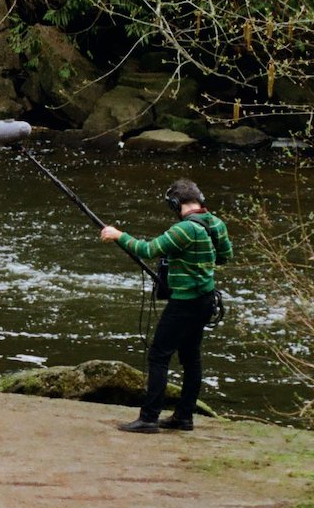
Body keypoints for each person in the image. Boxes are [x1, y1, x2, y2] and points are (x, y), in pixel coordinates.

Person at [99, 178, 234, 434]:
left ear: (175, 203)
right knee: (191, 357)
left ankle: (149, 419)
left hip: (184, 302)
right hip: (205, 300)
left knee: (159, 355)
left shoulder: (184, 230)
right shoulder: (216, 223)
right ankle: (184, 417)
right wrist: (198, 262)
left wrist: (118, 235)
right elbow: (225, 256)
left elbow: (148, 249)